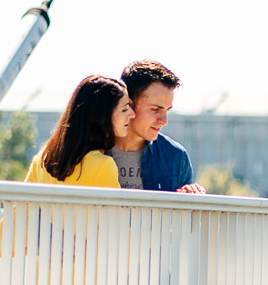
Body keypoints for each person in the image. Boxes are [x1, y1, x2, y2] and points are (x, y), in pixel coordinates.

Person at [115, 59, 205, 194]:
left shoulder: (176, 157)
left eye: (167, 110)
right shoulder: (89, 149)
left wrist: (191, 199)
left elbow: (183, 214)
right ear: (128, 105)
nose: (164, 121)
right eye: (155, 110)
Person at [24, 76, 132, 186]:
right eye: (124, 109)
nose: (132, 114)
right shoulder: (103, 165)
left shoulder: (42, 157)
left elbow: (22, 200)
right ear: (102, 117)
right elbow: (111, 203)